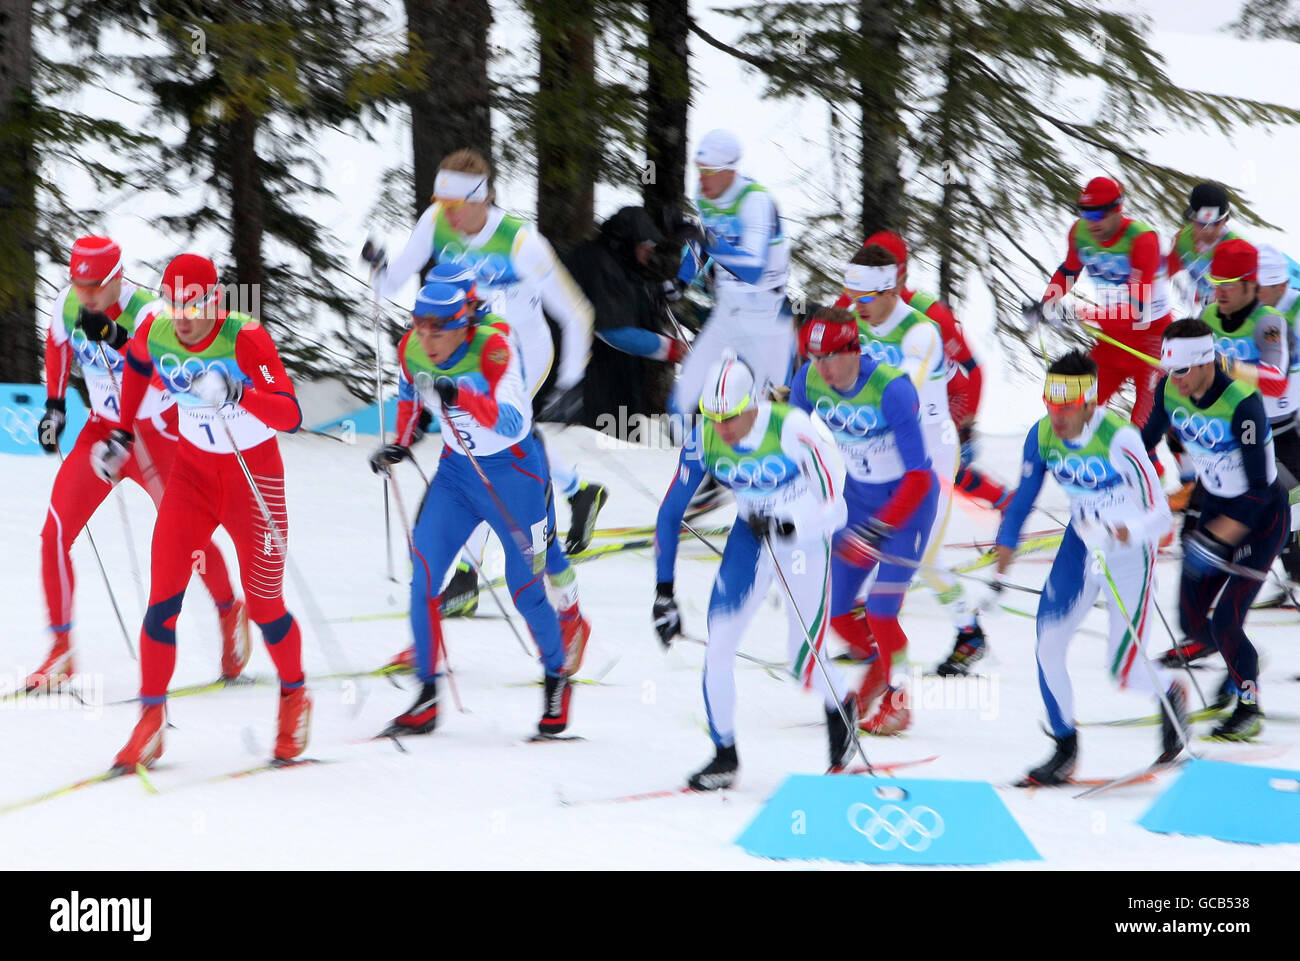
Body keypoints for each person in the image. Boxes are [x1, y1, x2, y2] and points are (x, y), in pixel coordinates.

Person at [92, 254, 311, 768]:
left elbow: (292, 414)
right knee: (162, 600)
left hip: (253, 481)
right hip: (192, 478)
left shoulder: (245, 338)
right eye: (174, 304)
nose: (183, 316)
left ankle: (295, 695)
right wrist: (123, 433)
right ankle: (151, 722)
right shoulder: (158, 329)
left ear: (215, 300)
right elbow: (139, 368)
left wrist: (239, 390)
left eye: (193, 304)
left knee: (265, 606)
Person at [29, 236, 245, 694]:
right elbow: (57, 346)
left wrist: (115, 336)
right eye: (79, 283)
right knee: (54, 533)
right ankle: (61, 649)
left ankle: (229, 611)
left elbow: (167, 366)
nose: (85, 294)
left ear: (117, 279)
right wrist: (54, 405)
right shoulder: (68, 302)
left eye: (95, 286)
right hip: (101, 430)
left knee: (190, 540)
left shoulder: (149, 311)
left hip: (155, 434)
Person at [369, 148, 608, 554]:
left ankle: (466, 571)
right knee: (495, 437)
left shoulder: (521, 243)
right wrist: (378, 268)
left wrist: (570, 383)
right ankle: (579, 491)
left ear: (482, 199)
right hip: (471, 352)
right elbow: (391, 285)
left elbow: (575, 313)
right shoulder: (435, 223)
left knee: (488, 437)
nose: (448, 214)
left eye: (456, 205)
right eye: (441, 204)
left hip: (522, 352)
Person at [369, 283, 578, 737]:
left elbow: (513, 422)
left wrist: (463, 397)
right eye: (418, 326)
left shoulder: (494, 347)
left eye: (437, 329)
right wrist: (401, 444)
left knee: (526, 589)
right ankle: (426, 696)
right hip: (457, 476)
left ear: (463, 324)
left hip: (516, 476)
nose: (426, 339)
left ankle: (557, 677)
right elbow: (409, 394)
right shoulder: (413, 349)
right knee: (422, 575)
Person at [652, 352, 855, 789]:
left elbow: (836, 506)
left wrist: (790, 522)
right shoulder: (705, 436)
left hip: (801, 539)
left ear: (754, 404)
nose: (722, 428)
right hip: (749, 536)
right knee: (718, 646)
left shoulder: (794, 428)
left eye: (731, 417)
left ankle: (842, 706)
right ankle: (724, 756)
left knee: (802, 659)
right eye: (714, 417)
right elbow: (669, 515)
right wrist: (663, 592)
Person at [995, 351, 1183, 785]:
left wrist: (1125, 531)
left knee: (1126, 672)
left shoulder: (1121, 439)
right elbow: (1024, 496)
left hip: (1128, 553)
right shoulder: (1042, 436)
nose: (1056, 419)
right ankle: (1064, 747)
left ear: (1090, 402)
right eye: (1050, 406)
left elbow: (1160, 517)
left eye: (1065, 409)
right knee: (1048, 644)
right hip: (1080, 545)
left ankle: (1169, 693)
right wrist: (1007, 542)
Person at [1139, 319, 1290, 741]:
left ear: (1206, 362)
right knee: (1191, 620)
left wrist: (1218, 536)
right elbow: (1142, 441)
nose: (1176, 381)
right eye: (1170, 371)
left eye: (1183, 371)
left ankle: (1248, 705)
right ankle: (1243, 657)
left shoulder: (1243, 403)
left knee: (1225, 618)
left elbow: (1260, 487)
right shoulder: (1170, 388)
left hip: (1260, 520)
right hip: (1215, 508)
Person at [789, 309, 938, 734]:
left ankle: (900, 699)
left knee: (881, 611)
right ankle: (879, 670)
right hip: (857, 499)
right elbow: (791, 442)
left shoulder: (892, 390)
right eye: (813, 358)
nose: (821, 369)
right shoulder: (809, 381)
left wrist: (878, 530)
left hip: (907, 507)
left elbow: (919, 475)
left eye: (830, 358)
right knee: (835, 611)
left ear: (854, 348)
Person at [842, 244, 987, 676]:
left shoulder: (919, 332)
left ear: (890, 290)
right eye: (852, 296)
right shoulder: (857, 320)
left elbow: (901, 388)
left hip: (931, 453)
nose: (857, 306)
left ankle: (969, 632)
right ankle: (870, 635)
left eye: (865, 298)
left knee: (925, 558)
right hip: (886, 450)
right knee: (858, 539)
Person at [835, 231, 1010, 510]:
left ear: (901, 277)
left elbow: (973, 370)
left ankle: (1004, 502)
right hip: (898, 393)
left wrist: (966, 426)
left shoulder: (928, 313)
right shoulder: (855, 302)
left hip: (945, 396)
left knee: (935, 468)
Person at [1024, 177, 1172, 431]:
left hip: (1151, 341)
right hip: (1113, 340)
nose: (1092, 223)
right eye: (1085, 214)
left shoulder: (1142, 240)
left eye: (1099, 215)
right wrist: (1046, 305)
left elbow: (1137, 312)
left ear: (1118, 209)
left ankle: (1162, 468)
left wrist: (1074, 312)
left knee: (1143, 431)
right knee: (1075, 411)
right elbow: (1069, 271)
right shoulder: (1079, 232)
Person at [1194, 239, 1300, 587]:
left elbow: (1276, 379)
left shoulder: (1280, 316)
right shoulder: (1230, 312)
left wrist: (1234, 367)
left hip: (1285, 424)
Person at [671, 130, 794, 418]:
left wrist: (705, 238)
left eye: (710, 172)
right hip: (727, 312)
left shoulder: (756, 202)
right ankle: (692, 460)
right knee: (682, 401)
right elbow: (702, 245)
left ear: (730, 170)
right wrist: (679, 281)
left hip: (766, 316)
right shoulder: (705, 194)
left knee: (772, 411)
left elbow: (752, 269)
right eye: (699, 170)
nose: (702, 179)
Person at [562, 206, 689, 427]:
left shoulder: (625, 267)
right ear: (629, 240)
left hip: (617, 380)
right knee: (598, 447)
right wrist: (670, 348)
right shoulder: (599, 263)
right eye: (645, 245)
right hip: (593, 384)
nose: (648, 251)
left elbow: (639, 309)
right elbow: (613, 331)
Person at [1165, 182, 1245, 315]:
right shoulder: (1182, 240)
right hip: (1205, 312)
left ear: (1225, 221)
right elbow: (1161, 273)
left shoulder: (1237, 250)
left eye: (1215, 223)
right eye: (1202, 223)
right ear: (1192, 218)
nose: (1208, 231)